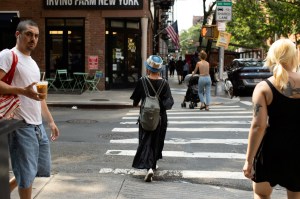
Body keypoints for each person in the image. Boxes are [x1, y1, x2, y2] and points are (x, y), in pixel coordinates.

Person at [0, 19, 59, 199]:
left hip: (37, 126)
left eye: (36, 36)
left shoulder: (32, 63)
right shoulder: (8, 55)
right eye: (29, 34)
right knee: (26, 175)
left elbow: (39, 99)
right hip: (20, 125)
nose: (33, 39)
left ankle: (2, 192)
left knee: (31, 171)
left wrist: (50, 121)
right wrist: (22, 91)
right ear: (18, 35)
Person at [243, 38, 300, 199]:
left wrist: (249, 160)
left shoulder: (264, 87)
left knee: (261, 194)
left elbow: (258, 126)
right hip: (298, 149)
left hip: (272, 149)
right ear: (294, 57)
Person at [130, 55, 174, 182]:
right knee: (157, 140)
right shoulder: (164, 83)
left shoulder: (142, 81)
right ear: (160, 69)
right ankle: (152, 164)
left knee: (145, 139)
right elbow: (169, 103)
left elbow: (135, 100)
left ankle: (149, 166)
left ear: (148, 68)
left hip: (145, 117)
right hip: (160, 118)